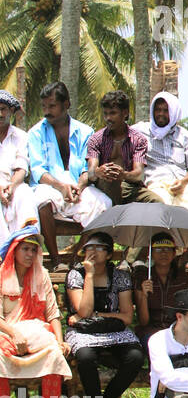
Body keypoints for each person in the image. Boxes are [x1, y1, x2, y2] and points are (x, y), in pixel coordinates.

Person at [65, 232, 145, 398]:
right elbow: (82, 312)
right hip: (85, 332)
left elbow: (127, 316)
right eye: (88, 248)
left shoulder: (120, 276)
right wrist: (89, 275)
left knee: (135, 356)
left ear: (109, 254)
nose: (92, 252)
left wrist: (98, 314)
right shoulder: (76, 274)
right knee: (85, 356)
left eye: (98, 248)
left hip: (114, 329)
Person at [27, 81, 111, 263]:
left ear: (66, 105)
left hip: (77, 185)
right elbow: (37, 171)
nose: (46, 111)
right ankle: (56, 260)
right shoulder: (35, 133)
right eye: (44, 106)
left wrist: (79, 187)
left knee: (104, 203)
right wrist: (60, 186)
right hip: (48, 186)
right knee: (42, 200)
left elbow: (87, 168)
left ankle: (77, 254)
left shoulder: (85, 132)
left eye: (52, 106)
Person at [0, 223, 70, 398]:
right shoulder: (1, 275)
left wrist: (60, 341)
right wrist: (14, 333)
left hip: (37, 332)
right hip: (6, 333)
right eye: (25, 249)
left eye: (34, 250)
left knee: (55, 353)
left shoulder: (43, 276)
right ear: (14, 249)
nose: (30, 254)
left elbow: (53, 314)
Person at [134, 91, 188, 222]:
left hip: (183, 184)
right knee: (162, 209)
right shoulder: (140, 131)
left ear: (174, 113)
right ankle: (163, 242)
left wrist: (183, 182)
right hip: (156, 184)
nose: (160, 114)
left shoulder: (185, 136)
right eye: (158, 110)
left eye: (166, 110)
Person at [84, 90, 147, 206]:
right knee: (111, 182)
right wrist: (98, 172)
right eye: (105, 113)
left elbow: (139, 174)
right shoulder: (96, 139)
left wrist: (123, 175)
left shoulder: (138, 140)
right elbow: (91, 173)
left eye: (112, 113)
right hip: (104, 185)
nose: (108, 118)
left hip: (130, 186)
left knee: (157, 202)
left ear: (125, 113)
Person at [133, 233, 188, 344]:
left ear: (174, 253)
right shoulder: (142, 277)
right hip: (151, 330)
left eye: (167, 249)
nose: (163, 253)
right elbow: (143, 321)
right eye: (158, 249)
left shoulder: (183, 278)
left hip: (179, 328)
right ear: (150, 254)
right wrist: (144, 296)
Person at [0, 91, 37, 237]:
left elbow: (22, 167)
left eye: (3, 109)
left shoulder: (21, 136)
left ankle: (25, 245)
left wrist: (10, 187)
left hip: (12, 187)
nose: (0, 114)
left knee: (25, 193)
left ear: (11, 111)